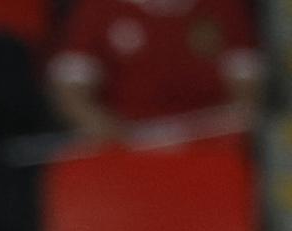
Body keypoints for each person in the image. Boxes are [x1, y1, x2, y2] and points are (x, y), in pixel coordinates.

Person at [49, 0, 261, 141]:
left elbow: (248, 88)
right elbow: (71, 90)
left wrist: (234, 117)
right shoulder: (99, 7)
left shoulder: (224, 6)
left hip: (209, 144)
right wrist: (104, 128)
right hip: (126, 146)